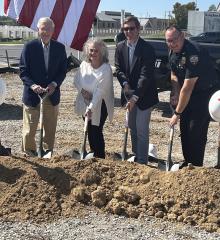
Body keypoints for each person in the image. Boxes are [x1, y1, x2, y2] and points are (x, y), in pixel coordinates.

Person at [165, 25, 219, 167]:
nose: (171, 44)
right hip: (187, 93)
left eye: (174, 40)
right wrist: (175, 92)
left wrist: (177, 113)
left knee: (195, 131)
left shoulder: (193, 52)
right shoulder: (172, 51)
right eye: (168, 41)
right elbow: (174, 73)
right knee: (184, 130)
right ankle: (187, 161)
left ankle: (195, 166)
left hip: (203, 94)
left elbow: (188, 88)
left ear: (182, 36)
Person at [19, 17, 67, 156]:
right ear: (38, 30)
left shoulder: (59, 48)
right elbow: (23, 71)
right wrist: (32, 85)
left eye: (48, 29)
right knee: (29, 128)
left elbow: (62, 71)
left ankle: (47, 152)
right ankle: (30, 152)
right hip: (32, 95)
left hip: (51, 95)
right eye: (42, 29)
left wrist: (54, 84)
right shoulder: (29, 47)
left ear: (53, 31)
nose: (45, 32)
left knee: (50, 127)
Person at [115, 16, 159, 165]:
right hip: (129, 94)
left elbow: (145, 76)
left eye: (131, 28)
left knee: (141, 129)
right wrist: (125, 83)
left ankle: (142, 162)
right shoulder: (120, 47)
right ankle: (136, 154)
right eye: (125, 29)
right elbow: (119, 69)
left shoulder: (147, 49)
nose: (128, 32)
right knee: (132, 127)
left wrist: (135, 98)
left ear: (138, 29)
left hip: (144, 95)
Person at [74, 38, 114, 159]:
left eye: (96, 50)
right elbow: (76, 80)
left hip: (100, 105)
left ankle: (100, 157)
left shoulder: (106, 69)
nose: (93, 53)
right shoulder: (84, 65)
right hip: (85, 102)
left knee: (96, 131)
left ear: (102, 52)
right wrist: (82, 91)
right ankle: (92, 155)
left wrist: (91, 107)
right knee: (89, 130)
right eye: (91, 50)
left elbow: (100, 91)